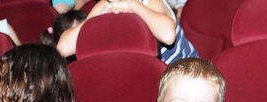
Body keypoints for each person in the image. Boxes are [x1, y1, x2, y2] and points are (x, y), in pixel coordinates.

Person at [56, 0, 197, 64]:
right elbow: (62, 49)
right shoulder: (105, 4)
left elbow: (168, 36)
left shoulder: (149, 2)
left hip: (182, 72)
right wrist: (95, 17)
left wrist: (133, 5)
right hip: (138, 73)